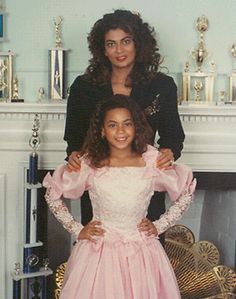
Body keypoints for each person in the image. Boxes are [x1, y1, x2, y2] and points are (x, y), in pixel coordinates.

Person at [43, 95, 196, 299]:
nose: (121, 131)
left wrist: (159, 226)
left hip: (141, 253)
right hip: (98, 253)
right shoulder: (90, 163)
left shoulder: (151, 161)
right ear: (102, 131)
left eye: (127, 124)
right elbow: (52, 193)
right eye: (113, 125)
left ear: (136, 127)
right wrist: (77, 229)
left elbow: (185, 192)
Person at [64, 9, 185, 243]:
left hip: (143, 188)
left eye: (126, 41)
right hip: (102, 189)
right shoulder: (83, 87)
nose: (119, 50)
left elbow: (173, 137)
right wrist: (74, 156)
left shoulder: (162, 86)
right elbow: (74, 141)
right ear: (102, 49)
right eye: (111, 44)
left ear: (138, 43)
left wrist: (169, 152)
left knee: (145, 258)